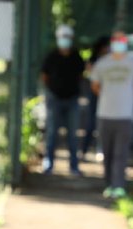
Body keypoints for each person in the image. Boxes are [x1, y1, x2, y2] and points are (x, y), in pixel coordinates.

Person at [91, 30, 133, 199]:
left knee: (120, 153)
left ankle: (118, 186)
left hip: (125, 115)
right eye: (116, 40)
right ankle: (109, 184)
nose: (118, 43)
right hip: (105, 114)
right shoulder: (102, 63)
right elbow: (95, 86)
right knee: (107, 153)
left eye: (121, 40)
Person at [40, 24, 85, 176]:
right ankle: (48, 164)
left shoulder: (76, 57)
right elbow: (44, 77)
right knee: (52, 132)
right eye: (62, 37)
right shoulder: (51, 57)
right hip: (55, 99)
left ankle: (74, 166)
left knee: (73, 134)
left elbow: (80, 76)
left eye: (67, 37)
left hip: (72, 99)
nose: (65, 41)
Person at [81, 35, 111, 160]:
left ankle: (101, 149)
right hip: (96, 94)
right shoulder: (95, 61)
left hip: (108, 95)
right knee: (92, 122)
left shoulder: (112, 60)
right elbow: (91, 78)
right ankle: (84, 149)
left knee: (104, 124)